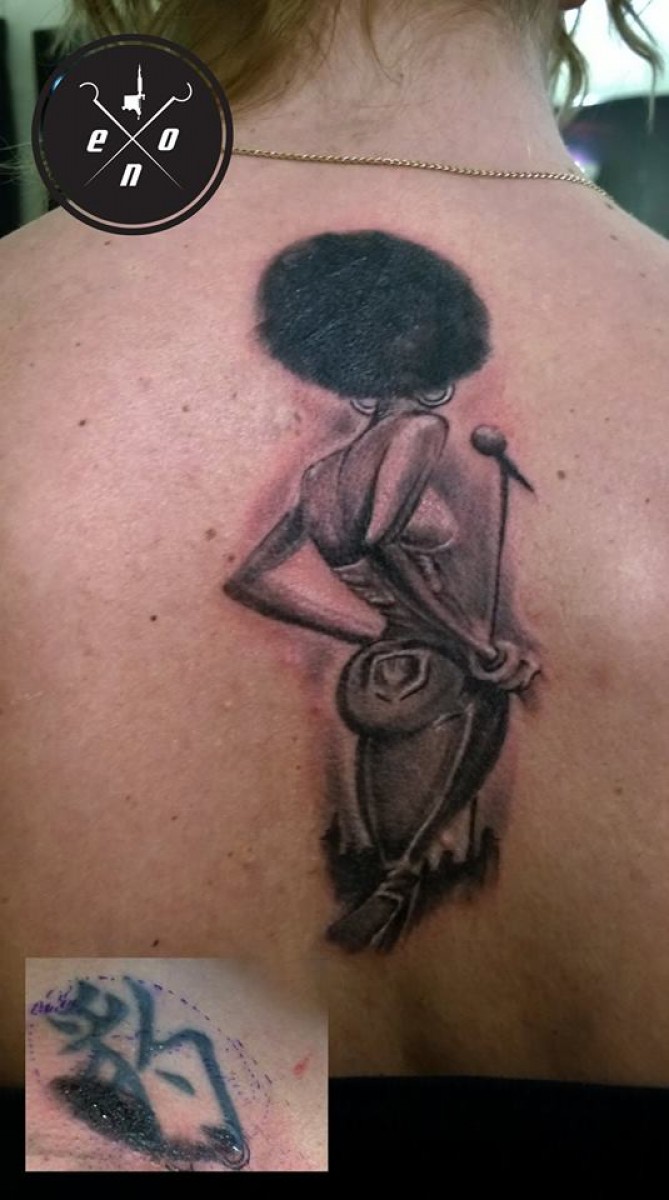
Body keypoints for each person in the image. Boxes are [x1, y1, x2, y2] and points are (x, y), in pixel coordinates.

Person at [1, 0, 669, 1096]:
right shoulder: (425, 432)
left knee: (207, 1102)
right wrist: (461, 640)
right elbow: (394, 555)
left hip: (178, 1117)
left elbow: (267, 573)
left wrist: (366, 624)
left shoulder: (31, 350)